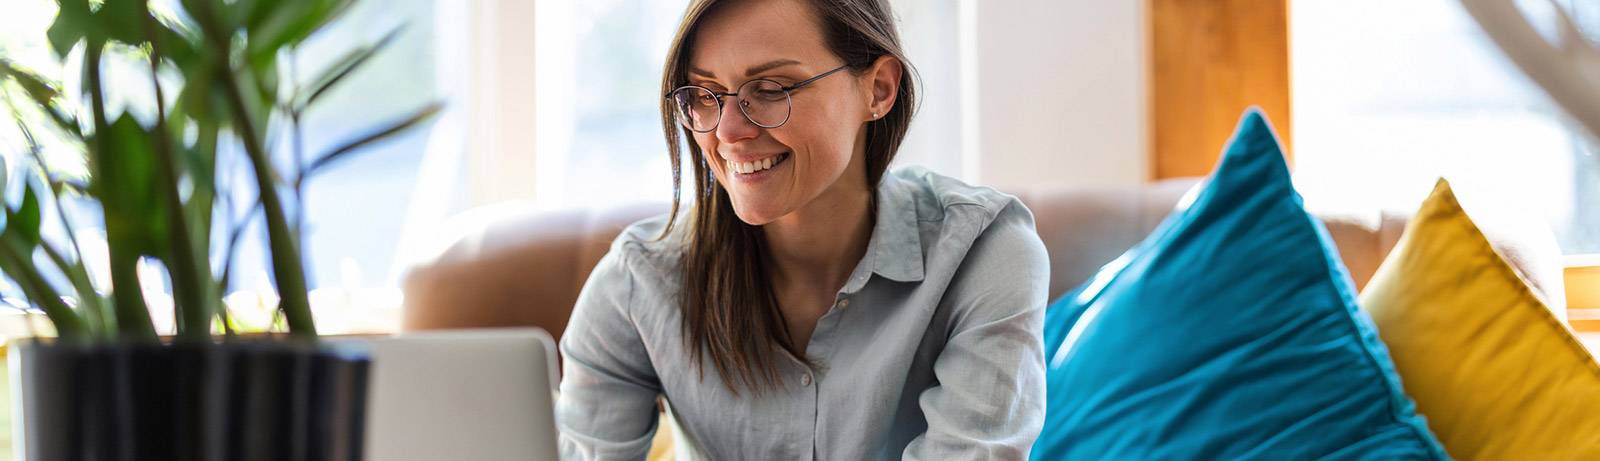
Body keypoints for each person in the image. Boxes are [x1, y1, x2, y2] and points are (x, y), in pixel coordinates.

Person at [555, 0, 1048, 458]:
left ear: (879, 89)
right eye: (704, 95)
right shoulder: (635, 288)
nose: (726, 133)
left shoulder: (984, 252)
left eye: (770, 90)